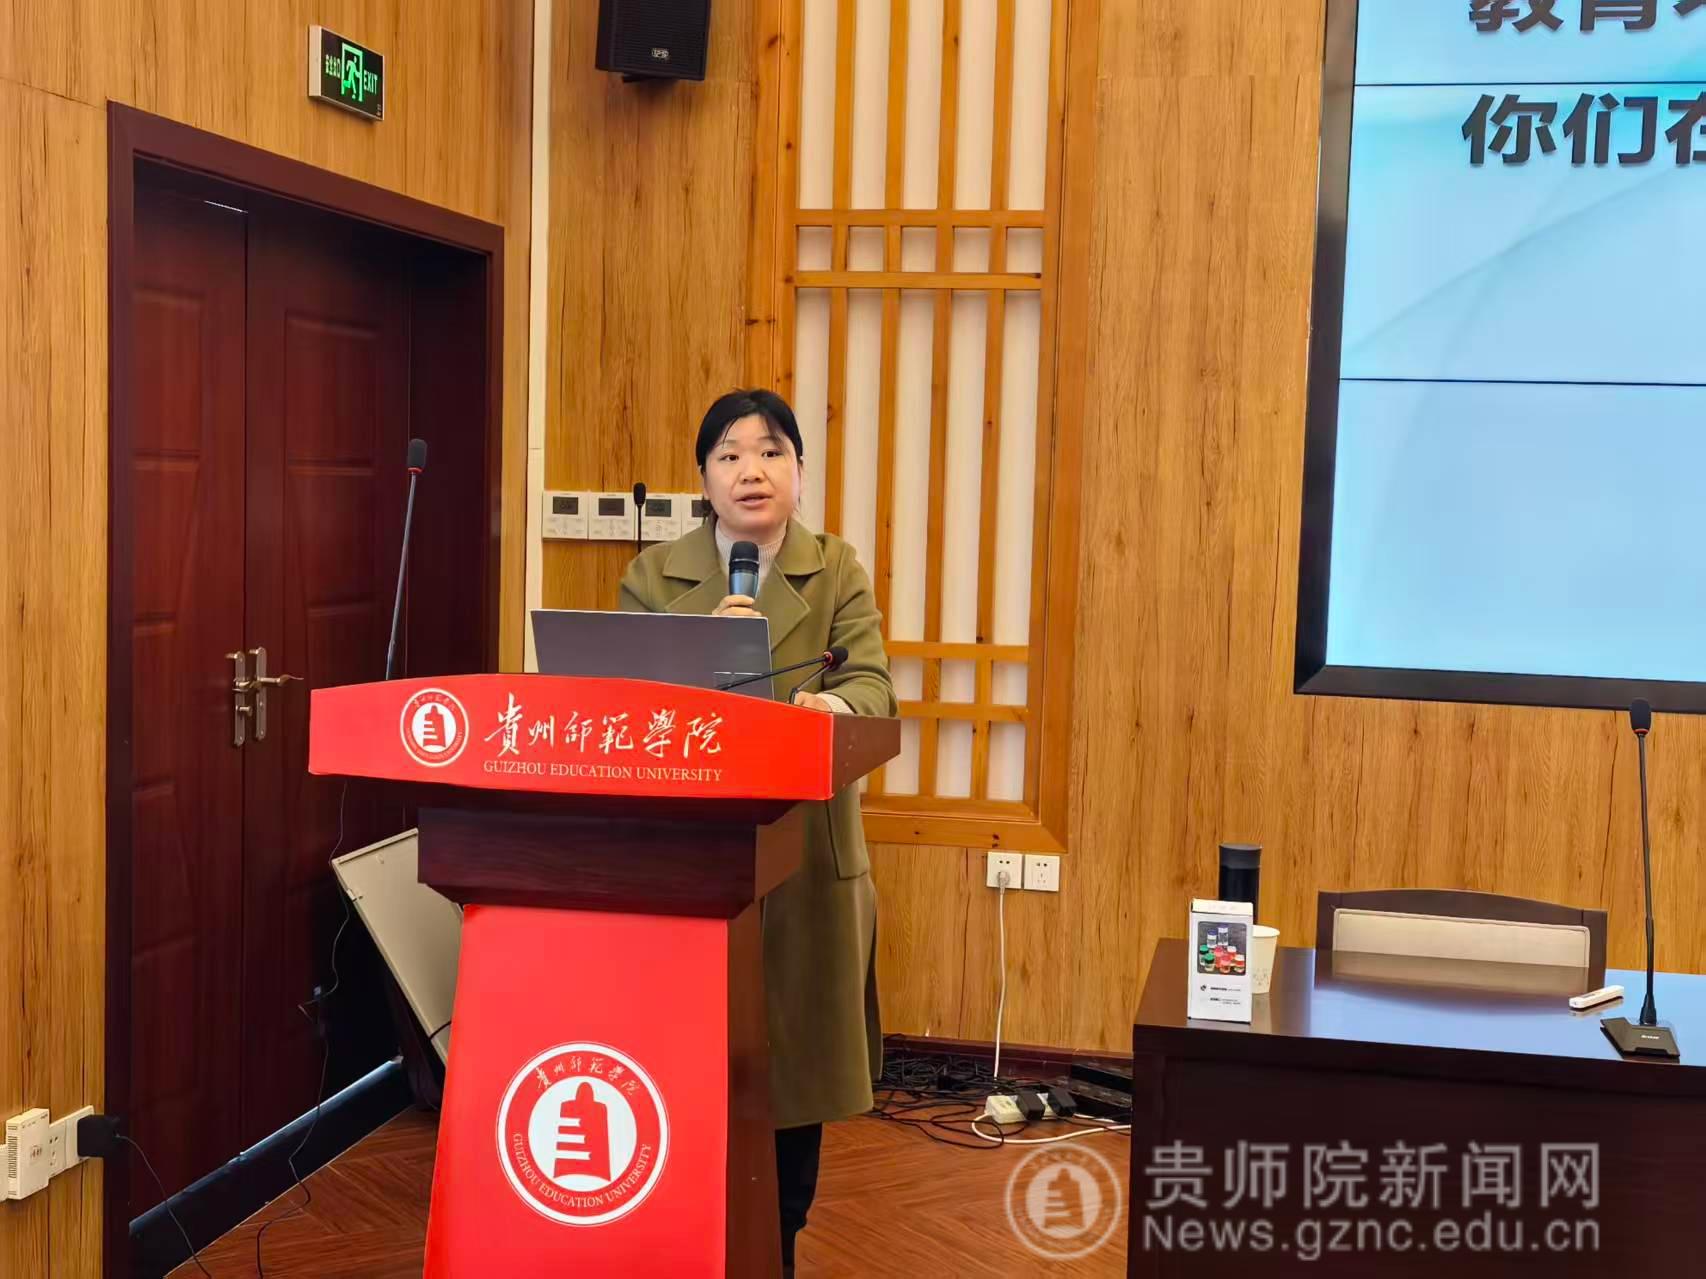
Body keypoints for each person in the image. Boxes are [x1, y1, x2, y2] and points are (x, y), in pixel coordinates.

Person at [618, 389, 896, 1275]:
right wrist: (703, 658)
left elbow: (873, 688)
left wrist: (828, 708)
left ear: (800, 473)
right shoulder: (653, 577)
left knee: (791, 1084)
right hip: (689, 867)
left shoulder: (836, 568)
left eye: (772, 451)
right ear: (703, 479)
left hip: (804, 862)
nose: (752, 470)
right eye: (730, 454)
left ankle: (777, 1243)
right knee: (684, 1077)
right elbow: (621, 707)